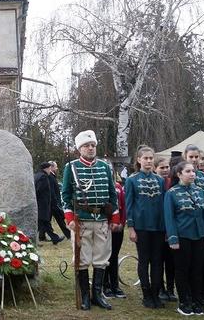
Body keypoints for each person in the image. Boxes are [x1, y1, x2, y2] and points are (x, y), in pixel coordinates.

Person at [60, 130, 120, 311]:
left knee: (102, 257)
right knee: (83, 259)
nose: (91, 148)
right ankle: (85, 296)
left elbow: (112, 193)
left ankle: (98, 294)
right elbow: (65, 195)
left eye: (93, 145)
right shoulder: (71, 167)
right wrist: (69, 217)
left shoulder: (104, 166)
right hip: (82, 220)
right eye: (87, 146)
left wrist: (115, 215)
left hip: (102, 219)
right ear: (80, 149)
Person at [164, 161, 204, 316]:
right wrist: (173, 238)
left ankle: (197, 301)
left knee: (198, 270)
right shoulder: (171, 193)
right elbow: (169, 218)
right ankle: (184, 302)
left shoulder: (200, 191)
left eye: (193, 171)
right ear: (179, 174)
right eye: (188, 171)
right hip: (182, 236)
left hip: (199, 235)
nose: (192, 174)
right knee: (182, 270)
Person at [125, 146, 166, 309]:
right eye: (146, 158)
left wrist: (166, 228)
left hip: (158, 227)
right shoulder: (132, 180)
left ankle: (156, 293)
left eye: (151, 158)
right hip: (141, 227)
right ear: (139, 160)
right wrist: (131, 228)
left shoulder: (160, 180)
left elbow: (164, 205)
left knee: (157, 261)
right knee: (144, 260)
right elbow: (129, 204)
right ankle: (146, 294)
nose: (149, 161)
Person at [184, 145, 204, 303]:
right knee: (188, 261)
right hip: (186, 226)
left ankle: (203, 291)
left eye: (197, 157)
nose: (195, 160)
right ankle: (188, 292)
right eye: (191, 157)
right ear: (185, 157)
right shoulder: (180, 177)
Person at [154, 156, 177, 303]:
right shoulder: (154, 183)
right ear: (156, 169)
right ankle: (160, 288)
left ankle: (170, 288)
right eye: (161, 167)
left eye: (167, 167)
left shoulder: (172, 183)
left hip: (171, 227)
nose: (165, 170)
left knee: (171, 260)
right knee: (158, 259)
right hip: (157, 227)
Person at [102, 171, 126, 300]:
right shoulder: (99, 186)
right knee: (105, 256)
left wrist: (121, 222)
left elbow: (123, 205)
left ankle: (115, 285)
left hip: (117, 227)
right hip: (104, 226)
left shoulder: (118, 187)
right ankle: (105, 285)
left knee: (114, 255)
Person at [34, 161, 64, 244]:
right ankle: (33, 240)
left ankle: (54, 238)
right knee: (42, 222)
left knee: (44, 222)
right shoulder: (43, 177)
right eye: (50, 168)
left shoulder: (37, 175)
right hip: (43, 204)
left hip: (40, 203)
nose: (50, 170)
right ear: (46, 168)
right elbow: (39, 190)